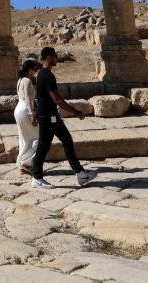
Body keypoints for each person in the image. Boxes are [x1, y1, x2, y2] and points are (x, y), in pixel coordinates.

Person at [31, 47, 97, 189]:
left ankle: (80, 174)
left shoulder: (40, 74)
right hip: (48, 117)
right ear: (49, 57)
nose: (56, 58)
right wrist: (76, 112)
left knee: (66, 140)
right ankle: (36, 177)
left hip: (50, 116)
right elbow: (57, 99)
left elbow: (40, 97)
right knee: (43, 146)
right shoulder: (47, 76)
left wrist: (36, 114)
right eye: (54, 56)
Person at [14, 59, 40, 175]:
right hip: (25, 110)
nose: (36, 72)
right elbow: (29, 100)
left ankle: (23, 163)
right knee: (38, 137)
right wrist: (32, 115)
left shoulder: (19, 80)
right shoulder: (27, 81)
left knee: (24, 138)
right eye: (35, 69)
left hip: (18, 109)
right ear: (30, 69)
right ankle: (27, 163)